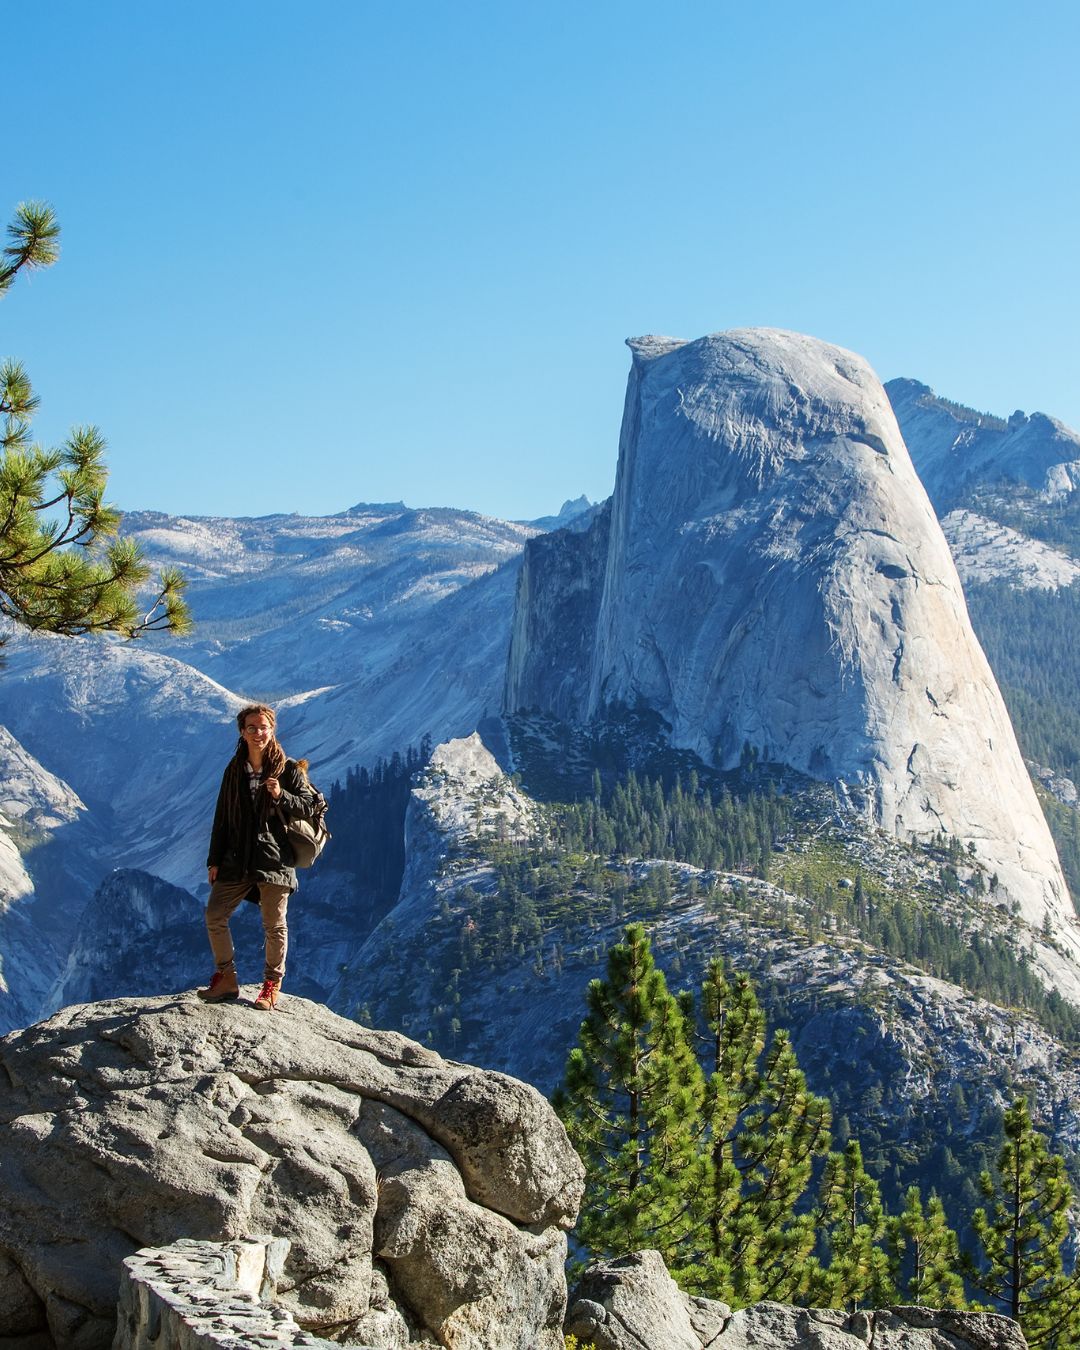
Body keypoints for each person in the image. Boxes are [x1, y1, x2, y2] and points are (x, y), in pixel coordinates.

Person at [196, 703, 317, 1010]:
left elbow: (310, 807)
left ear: (272, 730)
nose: (258, 733)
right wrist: (214, 860)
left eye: (264, 727)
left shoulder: (288, 769)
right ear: (242, 732)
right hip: (237, 858)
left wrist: (281, 796)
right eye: (252, 728)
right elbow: (222, 817)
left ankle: (271, 986)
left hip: (274, 859)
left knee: (274, 924)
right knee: (215, 915)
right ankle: (226, 978)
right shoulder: (234, 770)